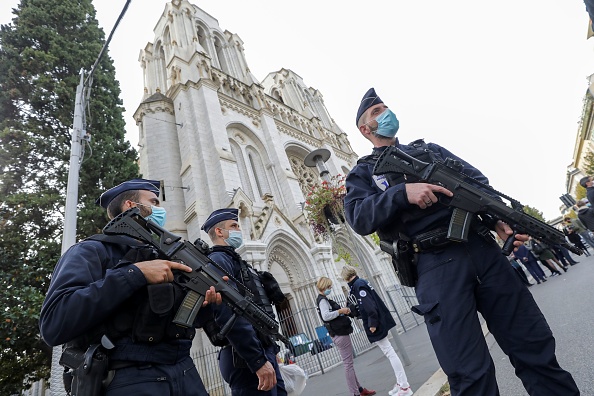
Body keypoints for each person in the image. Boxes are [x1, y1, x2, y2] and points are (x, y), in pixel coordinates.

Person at [343, 88, 579, 395]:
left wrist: (499, 221)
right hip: (434, 264)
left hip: (483, 250)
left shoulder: (430, 151)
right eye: (377, 112)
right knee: (469, 375)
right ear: (365, 129)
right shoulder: (363, 173)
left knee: (534, 347)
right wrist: (401, 194)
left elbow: (479, 185)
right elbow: (359, 216)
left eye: (386, 108)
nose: (385, 114)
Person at [39, 179, 224, 395]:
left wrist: (205, 302)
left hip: (184, 372)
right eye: (153, 202)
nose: (160, 209)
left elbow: (175, 319)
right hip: (128, 377)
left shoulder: (164, 258)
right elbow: (54, 323)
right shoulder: (91, 251)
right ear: (131, 206)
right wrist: (135, 274)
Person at [203, 208, 286, 395]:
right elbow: (228, 313)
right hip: (242, 356)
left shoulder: (234, 260)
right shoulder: (217, 260)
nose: (239, 230)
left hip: (260, 348)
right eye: (234, 226)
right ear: (219, 232)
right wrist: (257, 360)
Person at [340, 266, 413, 396]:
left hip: (375, 323)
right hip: (377, 320)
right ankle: (400, 383)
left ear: (345, 277)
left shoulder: (358, 285)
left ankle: (405, 387)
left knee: (390, 352)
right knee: (389, 352)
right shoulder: (361, 282)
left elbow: (369, 306)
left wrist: (372, 324)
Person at [315, 276, 376, 396]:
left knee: (349, 364)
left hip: (339, 333)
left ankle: (359, 389)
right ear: (324, 286)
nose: (330, 288)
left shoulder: (324, 299)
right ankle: (354, 392)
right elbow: (326, 316)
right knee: (348, 364)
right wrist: (340, 311)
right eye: (329, 287)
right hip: (339, 333)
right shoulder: (322, 300)